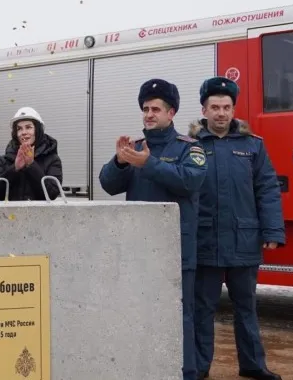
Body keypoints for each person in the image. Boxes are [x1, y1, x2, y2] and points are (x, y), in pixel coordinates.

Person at [98, 78, 206, 380]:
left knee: (180, 315)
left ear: (171, 113)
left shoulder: (190, 147)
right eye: (145, 109)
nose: (149, 114)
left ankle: (186, 373)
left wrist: (149, 164)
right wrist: (120, 163)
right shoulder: (134, 148)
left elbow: (191, 181)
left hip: (176, 250)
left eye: (155, 109)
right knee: (139, 311)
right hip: (139, 250)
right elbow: (107, 185)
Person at [190, 77, 285, 380]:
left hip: (244, 240)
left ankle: (253, 365)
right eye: (215, 107)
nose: (221, 113)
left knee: (246, 308)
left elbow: (267, 188)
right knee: (202, 310)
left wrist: (272, 232)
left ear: (233, 110)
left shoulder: (253, 146)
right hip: (205, 241)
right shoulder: (190, 146)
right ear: (204, 110)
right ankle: (199, 367)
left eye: (226, 107)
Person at [0, 107, 63, 201]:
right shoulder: (4, 160)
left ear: (37, 131)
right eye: (19, 129)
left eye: (28, 127)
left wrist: (31, 165)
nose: (24, 133)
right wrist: (15, 168)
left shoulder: (52, 159)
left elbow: (52, 194)